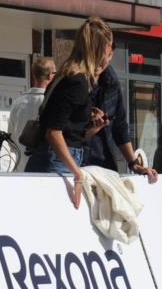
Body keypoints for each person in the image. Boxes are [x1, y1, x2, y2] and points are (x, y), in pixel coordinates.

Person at [25, 17, 113, 208]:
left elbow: (67, 132)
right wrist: (77, 173)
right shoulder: (77, 81)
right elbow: (53, 132)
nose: (110, 53)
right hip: (56, 162)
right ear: (99, 49)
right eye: (109, 47)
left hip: (57, 159)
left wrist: (93, 128)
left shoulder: (69, 76)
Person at [85, 59, 158, 182]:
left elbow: (120, 127)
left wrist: (134, 164)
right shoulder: (74, 78)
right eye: (99, 55)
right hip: (77, 165)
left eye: (108, 56)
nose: (102, 62)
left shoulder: (111, 80)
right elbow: (65, 134)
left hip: (104, 164)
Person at [7, 56, 56, 171]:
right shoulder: (52, 102)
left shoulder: (17, 102)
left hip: (21, 168)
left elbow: (11, 140)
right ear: (50, 75)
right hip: (46, 168)